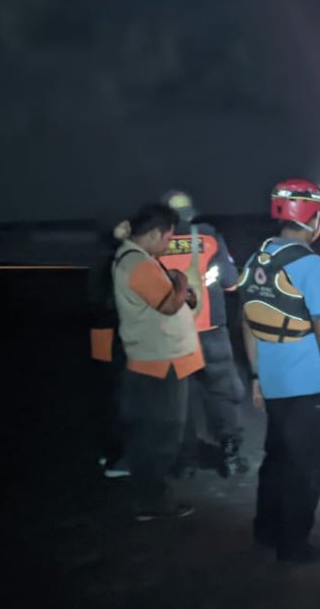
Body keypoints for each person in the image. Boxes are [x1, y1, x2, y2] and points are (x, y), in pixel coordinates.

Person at [240, 179, 320, 564]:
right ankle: (293, 546)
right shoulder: (311, 264)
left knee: (276, 459)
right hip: (306, 382)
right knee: (303, 469)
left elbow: (248, 321)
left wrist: (256, 375)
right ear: (314, 219)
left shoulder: (259, 258)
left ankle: (267, 532)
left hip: (273, 379)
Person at [112, 203, 204, 520]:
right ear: (153, 234)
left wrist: (180, 291)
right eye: (167, 238)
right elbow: (167, 305)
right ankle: (152, 500)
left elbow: (168, 300)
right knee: (161, 435)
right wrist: (179, 281)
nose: (168, 244)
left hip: (161, 360)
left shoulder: (141, 260)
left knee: (157, 433)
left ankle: (153, 493)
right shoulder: (138, 263)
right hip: (160, 362)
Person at [157, 190, 247, 478]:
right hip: (210, 329)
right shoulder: (209, 238)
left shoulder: (154, 243)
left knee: (178, 397)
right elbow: (232, 283)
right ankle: (230, 454)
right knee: (222, 392)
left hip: (171, 331)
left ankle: (184, 460)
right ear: (192, 213)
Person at [88, 220, 130, 478]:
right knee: (122, 396)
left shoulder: (98, 263)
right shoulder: (121, 264)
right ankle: (118, 458)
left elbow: (95, 300)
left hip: (100, 336)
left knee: (108, 394)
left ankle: (110, 453)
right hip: (116, 335)